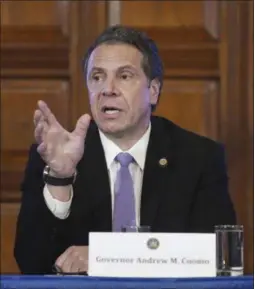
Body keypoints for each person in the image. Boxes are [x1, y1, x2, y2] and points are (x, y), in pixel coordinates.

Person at [14, 25, 236, 274]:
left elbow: (215, 254)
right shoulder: (54, 156)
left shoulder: (198, 158)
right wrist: (60, 178)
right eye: (97, 77)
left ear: (153, 91)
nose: (107, 89)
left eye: (124, 76)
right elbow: (31, 263)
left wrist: (106, 256)